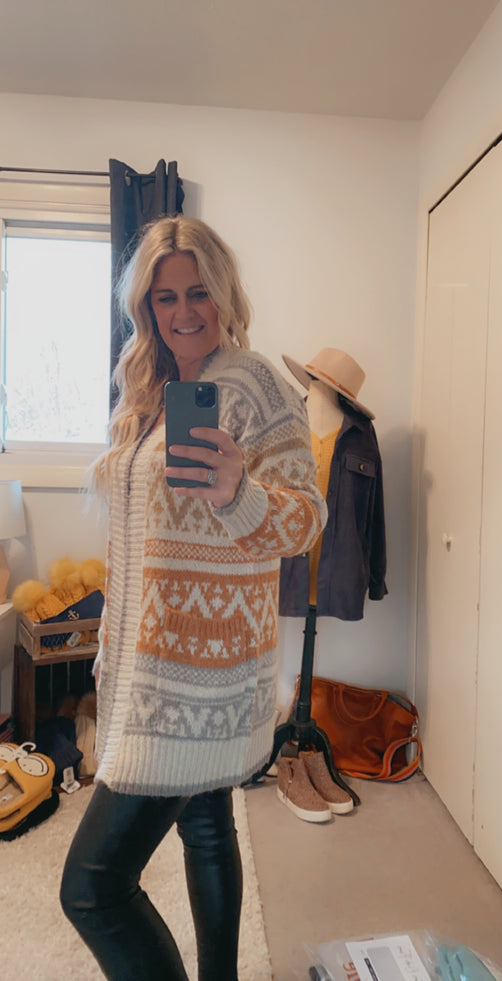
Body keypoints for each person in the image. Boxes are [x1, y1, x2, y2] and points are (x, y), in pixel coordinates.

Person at [60, 215, 327, 981]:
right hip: (153, 666)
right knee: (207, 826)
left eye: (198, 291)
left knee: (92, 889)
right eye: (165, 296)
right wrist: (110, 651)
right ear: (145, 306)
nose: (183, 311)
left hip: (198, 684)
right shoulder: (152, 392)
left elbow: (306, 520)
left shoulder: (252, 383)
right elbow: (141, 546)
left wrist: (239, 490)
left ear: (224, 293)